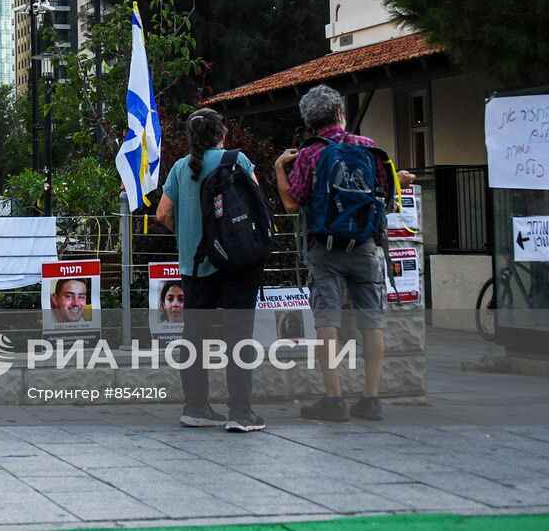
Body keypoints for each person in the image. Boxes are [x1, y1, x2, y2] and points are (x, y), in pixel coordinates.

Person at [274, 83, 415, 423]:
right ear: (339, 113)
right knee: (372, 321)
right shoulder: (368, 148)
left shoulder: (310, 153)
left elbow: (293, 201)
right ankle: (371, 398)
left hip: (325, 249)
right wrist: (403, 181)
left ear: (310, 121)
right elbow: (387, 194)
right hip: (366, 247)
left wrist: (280, 168)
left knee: (328, 322)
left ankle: (334, 399)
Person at [155, 108, 266, 434]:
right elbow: (257, 202)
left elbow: (162, 214)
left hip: (194, 265)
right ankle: (240, 412)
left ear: (191, 138)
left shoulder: (179, 168)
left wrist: (188, 237)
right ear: (222, 133)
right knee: (238, 337)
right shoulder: (238, 160)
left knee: (195, 337)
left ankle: (196, 407)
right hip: (237, 263)